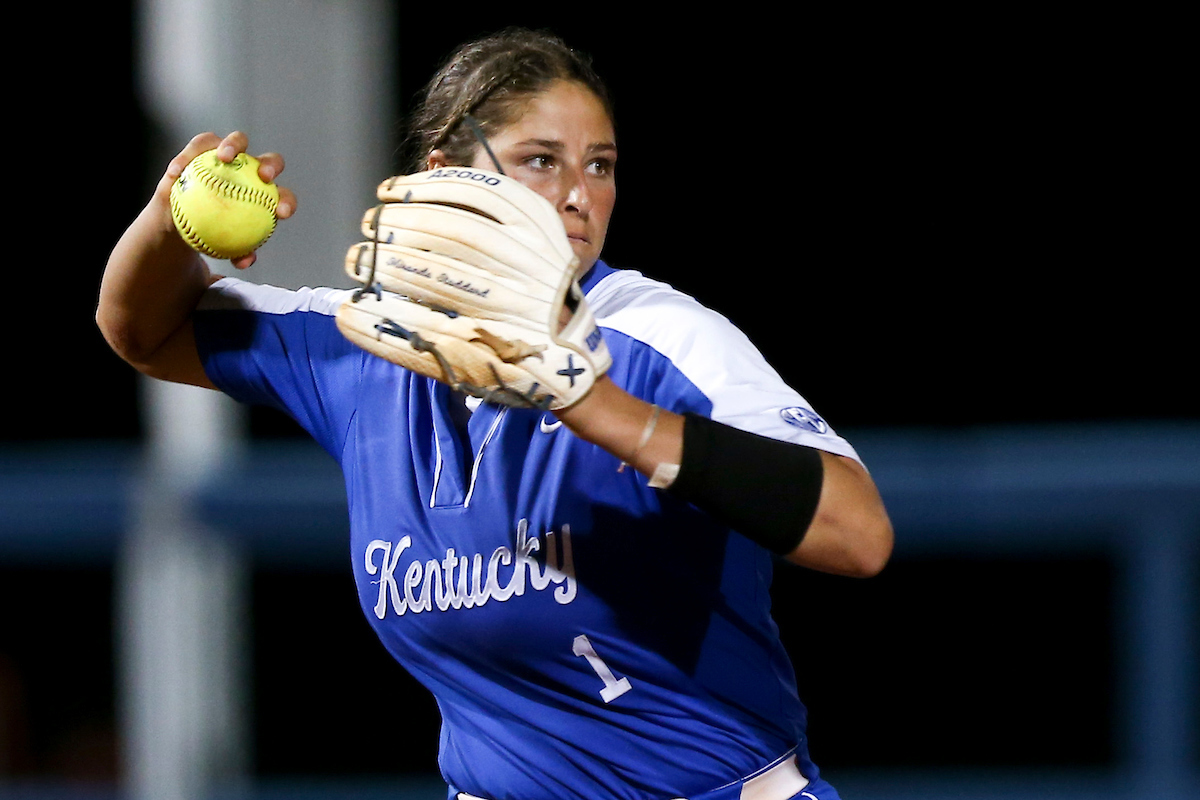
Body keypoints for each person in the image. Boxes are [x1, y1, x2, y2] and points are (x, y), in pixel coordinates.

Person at [97, 27, 892, 800]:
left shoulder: (656, 336)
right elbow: (141, 329)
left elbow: (857, 535)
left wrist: (608, 411)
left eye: (601, 165)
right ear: (448, 177)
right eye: (540, 162)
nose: (579, 195)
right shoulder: (370, 346)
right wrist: (173, 218)